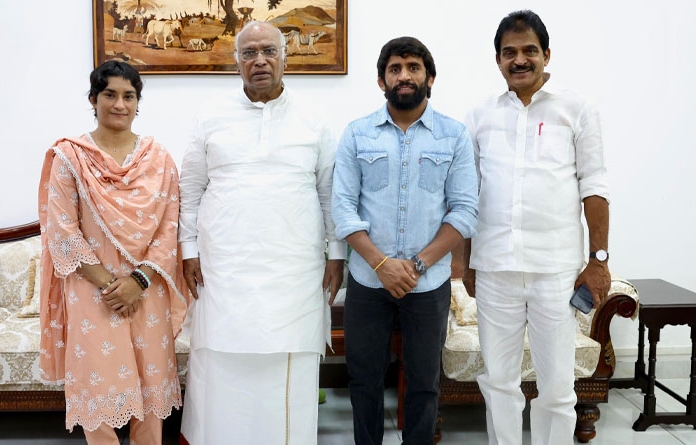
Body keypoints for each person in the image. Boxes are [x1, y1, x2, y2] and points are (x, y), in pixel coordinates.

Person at [177, 21, 344, 445]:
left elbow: (330, 192)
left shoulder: (313, 119)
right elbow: (191, 189)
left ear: (285, 57)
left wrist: (337, 253)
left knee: (287, 366)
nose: (260, 61)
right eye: (249, 53)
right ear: (237, 62)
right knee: (221, 364)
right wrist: (188, 249)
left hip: (294, 271)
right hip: (224, 268)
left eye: (269, 51)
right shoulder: (209, 116)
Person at [463, 10, 611, 444]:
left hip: (556, 270)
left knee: (558, 387)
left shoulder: (577, 109)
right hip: (494, 268)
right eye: (510, 52)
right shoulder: (480, 114)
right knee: (499, 381)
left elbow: (595, 186)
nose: (520, 59)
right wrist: (466, 263)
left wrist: (598, 261)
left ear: (547, 54)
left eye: (530, 50)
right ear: (498, 60)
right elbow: (467, 193)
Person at [332, 37, 479, 444]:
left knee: (424, 381)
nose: (404, 76)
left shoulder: (454, 136)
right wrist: (382, 264)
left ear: (429, 77)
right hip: (367, 280)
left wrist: (414, 266)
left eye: (413, 67)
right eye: (395, 68)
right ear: (382, 80)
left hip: (426, 284)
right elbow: (343, 209)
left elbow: (464, 211)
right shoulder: (357, 134)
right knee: (363, 379)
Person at [37, 60, 188, 444]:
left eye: (129, 96)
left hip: (146, 290)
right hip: (92, 291)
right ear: (93, 99)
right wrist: (112, 286)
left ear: (138, 103)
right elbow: (63, 231)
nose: (119, 104)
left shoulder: (158, 159)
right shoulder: (71, 158)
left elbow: (169, 227)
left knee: (151, 386)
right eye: (110, 95)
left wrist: (137, 281)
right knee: (98, 388)